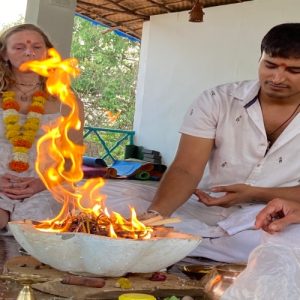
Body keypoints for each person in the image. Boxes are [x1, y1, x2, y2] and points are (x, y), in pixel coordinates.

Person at [139, 23, 300, 262]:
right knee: (107, 200)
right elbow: (185, 168)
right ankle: (185, 242)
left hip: (274, 218)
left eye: (293, 71)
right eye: (270, 65)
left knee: (285, 246)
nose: (277, 77)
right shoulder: (217, 100)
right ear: (259, 59)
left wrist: (255, 193)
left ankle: (183, 246)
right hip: (204, 207)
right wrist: (155, 215)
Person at [0, 24, 84, 231]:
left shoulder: (66, 99)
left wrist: (43, 183)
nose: (29, 52)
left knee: (31, 229)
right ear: (4, 54)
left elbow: (72, 158)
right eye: (19, 47)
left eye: (37, 47)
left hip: (47, 185)